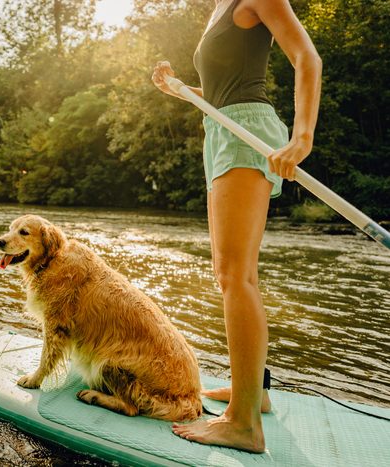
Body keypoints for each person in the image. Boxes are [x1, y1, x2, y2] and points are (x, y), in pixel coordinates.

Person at [151, 0, 322, 453]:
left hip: (248, 132)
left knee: (236, 276)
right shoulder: (219, 7)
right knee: (231, 275)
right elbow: (225, 92)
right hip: (222, 130)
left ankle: (244, 423)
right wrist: (184, 91)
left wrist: (302, 136)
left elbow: (308, 58)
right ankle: (254, 391)